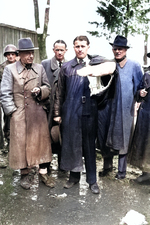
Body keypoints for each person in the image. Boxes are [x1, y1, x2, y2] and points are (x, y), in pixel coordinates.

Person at [53, 35, 115, 194]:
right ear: (73, 48)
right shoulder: (67, 67)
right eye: (77, 46)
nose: (79, 49)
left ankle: (92, 181)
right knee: (72, 144)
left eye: (82, 46)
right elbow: (59, 92)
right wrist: (57, 113)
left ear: (88, 47)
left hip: (89, 110)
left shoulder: (95, 64)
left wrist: (95, 61)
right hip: (71, 111)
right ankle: (74, 177)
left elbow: (111, 67)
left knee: (89, 147)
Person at [0, 37, 54, 189]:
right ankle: (25, 174)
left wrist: (41, 91)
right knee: (21, 145)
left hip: (37, 113)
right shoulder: (10, 70)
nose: (31, 55)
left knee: (40, 144)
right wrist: (13, 112)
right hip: (20, 114)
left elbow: (47, 87)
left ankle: (41, 172)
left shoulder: (39, 68)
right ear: (20, 54)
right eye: (27, 53)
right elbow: (4, 93)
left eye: (32, 52)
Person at [98, 35, 143, 179]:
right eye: (115, 49)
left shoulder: (134, 66)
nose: (117, 51)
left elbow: (138, 87)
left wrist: (137, 98)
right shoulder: (109, 65)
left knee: (124, 137)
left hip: (125, 109)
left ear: (125, 50)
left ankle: (121, 172)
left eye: (120, 49)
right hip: (109, 106)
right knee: (106, 134)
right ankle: (107, 166)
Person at [41, 40, 67, 171]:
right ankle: (46, 165)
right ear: (53, 50)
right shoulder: (45, 64)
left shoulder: (68, 65)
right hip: (48, 107)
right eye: (57, 50)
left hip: (63, 107)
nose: (60, 52)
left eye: (62, 50)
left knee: (62, 135)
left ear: (66, 51)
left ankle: (63, 165)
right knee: (47, 136)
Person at [128, 52, 150, 182]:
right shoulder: (147, 75)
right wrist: (140, 93)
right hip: (147, 113)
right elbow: (138, 92)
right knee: (144, 142)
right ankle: (145, 173)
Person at [0, 44, 18, 150]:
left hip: (19, 96)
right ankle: (8, 140)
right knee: (8, 120)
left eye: (13, 54)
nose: (11, 57)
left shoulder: (20, 65)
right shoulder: (2, 67)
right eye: (8, 55)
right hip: (8, 97)